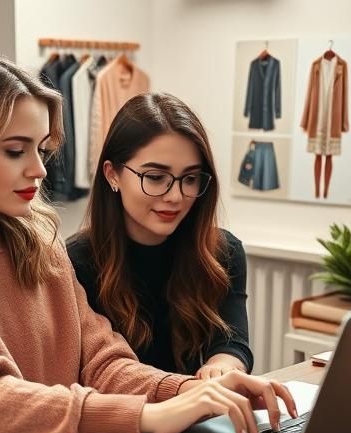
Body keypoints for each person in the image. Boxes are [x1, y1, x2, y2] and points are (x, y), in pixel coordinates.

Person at [0, 48, 297, 433]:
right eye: (15, 150)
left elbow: (104, 363)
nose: (39, 169)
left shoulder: (41, 247)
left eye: (41, 149)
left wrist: (191, 393)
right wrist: (147, 415)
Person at [67, 93, 253, 379]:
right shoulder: (75, 262)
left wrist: (221, 367)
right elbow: (96, 373)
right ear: (112, 174)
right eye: (155, 177)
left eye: (190, 178)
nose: (175, 196)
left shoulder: (222, 251)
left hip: (196, 403)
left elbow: (231, 343)